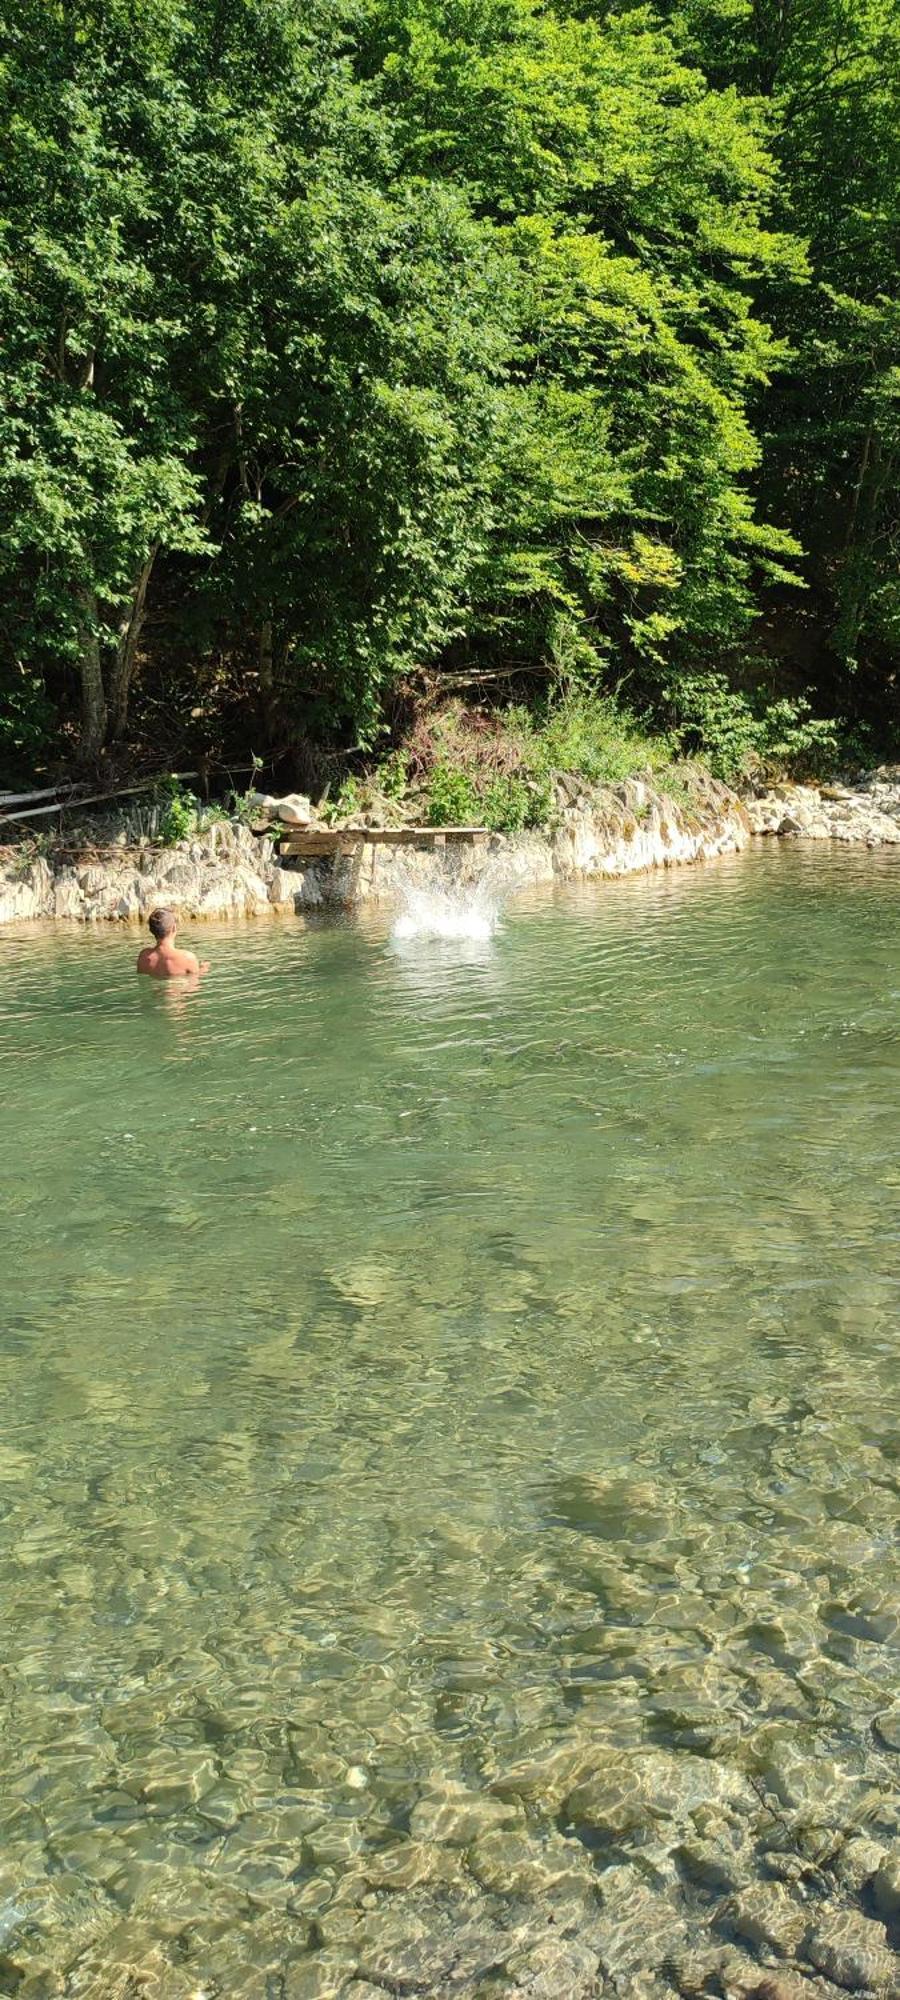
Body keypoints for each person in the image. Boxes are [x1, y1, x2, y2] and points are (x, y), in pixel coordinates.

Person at [136, 908, 210, 979]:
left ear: (151, 930)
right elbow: (193, 986)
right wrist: (203, 970)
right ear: (174, 928)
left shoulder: (144, 956)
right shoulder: (187, 958)